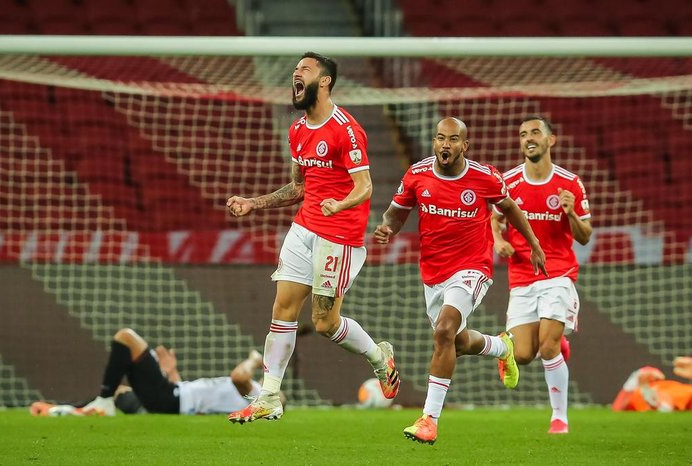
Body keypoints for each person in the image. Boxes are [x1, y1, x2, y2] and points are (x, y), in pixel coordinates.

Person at [225, 51, 399, 423]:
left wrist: (340, 205)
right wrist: (254, 203)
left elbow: (365, 187)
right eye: (294, 70)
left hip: (340, 236)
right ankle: (269, 395)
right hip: (304, 229)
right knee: (282, 309)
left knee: (324, 323)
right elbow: (298, 187)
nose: (295, 74)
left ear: (325, 81)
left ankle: (378, 355)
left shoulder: (346, 129)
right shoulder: (298, 130)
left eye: (304, 69)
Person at [374, 117, 546, 445]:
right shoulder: (417, 175)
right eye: (440, 138)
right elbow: (396, 213)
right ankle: (502, 346)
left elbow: (511, 209)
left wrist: (534, 243)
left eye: (453, 140)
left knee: (443, 332)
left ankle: (429, 419)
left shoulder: (484, 177)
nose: (445, 145)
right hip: (433, 273)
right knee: (457, 342)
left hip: (472, 267)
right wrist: (388, 229)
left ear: (464, 146)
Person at [491, 115, 592, 435]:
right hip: (521, 277)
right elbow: (494, 220)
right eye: (523, 134)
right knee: (522, 355)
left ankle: (559, 418)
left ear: (551, 140)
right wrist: (499, 241)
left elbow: (585, 236)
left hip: (558, 275)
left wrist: (571, 212)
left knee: (547, 348)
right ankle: (540, 344)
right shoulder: (508, 182)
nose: (528, 138)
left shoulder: (569, 183)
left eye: (535, 132)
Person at [29, 328, 270, 416]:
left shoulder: (257, 393)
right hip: (173, 396)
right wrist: (172, 373)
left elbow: (239, 375)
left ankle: (101, 403)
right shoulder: (244, 397)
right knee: (121, 391)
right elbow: (195, 398)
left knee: (126, 338)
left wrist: (253, 359)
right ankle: (64, 408)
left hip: (170, 400)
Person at [612, 365, 692, 412]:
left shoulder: (668, 384)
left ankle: (661, 405)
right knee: (658, 394)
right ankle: (661, 405)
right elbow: (617, 407)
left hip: (678, 393)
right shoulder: (637, 393)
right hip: (655, 395)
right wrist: (633, 381)